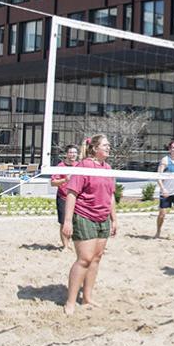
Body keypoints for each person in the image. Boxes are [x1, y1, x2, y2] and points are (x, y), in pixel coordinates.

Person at [61, 134, 118, 315]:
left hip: (102, 218)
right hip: (84, 216)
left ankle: (87, 297)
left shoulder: (107, 168)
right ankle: (70, 302)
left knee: (96, 258)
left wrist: (114, 219)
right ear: (94, 148)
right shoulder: (84, 166)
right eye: (105, 145)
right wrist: (68, 221)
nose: (108, 148)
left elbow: (111, 196)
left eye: (109, 145)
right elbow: (71, 193)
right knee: (84, 259)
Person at [51, 144, 80, 249]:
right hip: (63, 197)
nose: (72, 155)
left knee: (77, 223)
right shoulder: (60, 166)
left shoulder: (80, 166)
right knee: (64, 223)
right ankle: (65, 246)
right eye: (70, 152)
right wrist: (65, 180)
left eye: (74, 153)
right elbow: (53, 182)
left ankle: (75, 244)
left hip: (77, 198)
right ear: (66, 154)